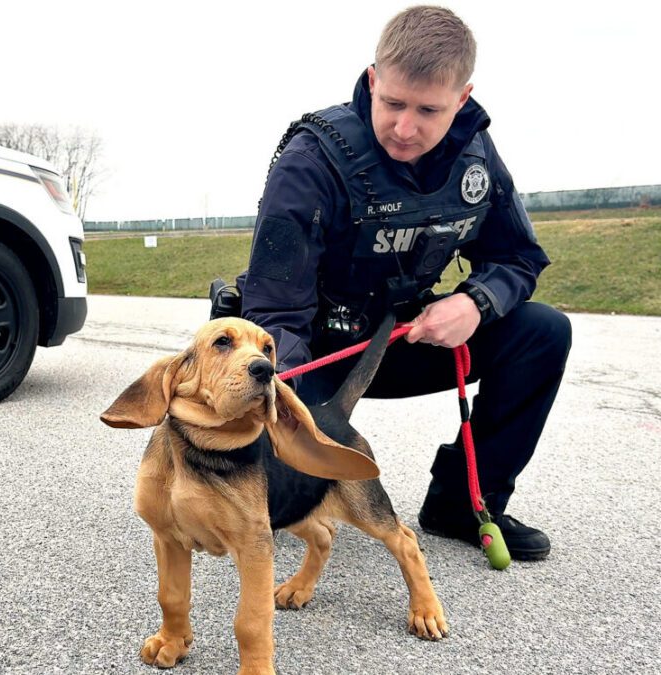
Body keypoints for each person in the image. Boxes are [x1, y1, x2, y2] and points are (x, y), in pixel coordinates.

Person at [234, 5, 572, 560]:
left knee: (543, 332)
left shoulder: (476, 158)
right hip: (308, 348)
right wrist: (296, 419)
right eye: (392, 103)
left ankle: (465, 504)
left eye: (428, 110)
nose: (405, 127)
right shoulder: (311, 161)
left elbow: (519, 258)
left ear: (461, 98)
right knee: (284, 501)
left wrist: (475, 303)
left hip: (398, 337)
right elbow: (273, 311)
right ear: (373, 81)